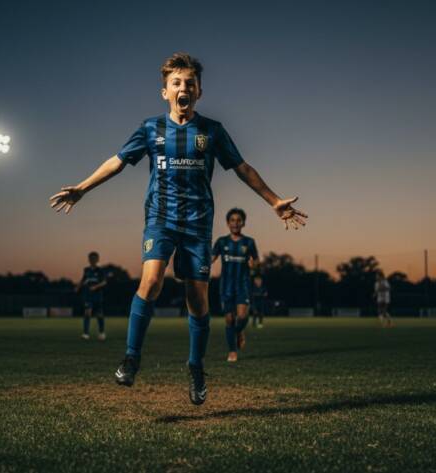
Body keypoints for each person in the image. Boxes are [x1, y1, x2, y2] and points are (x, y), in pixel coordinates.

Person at [50, 52, 307, 405]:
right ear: (165, 92)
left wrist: (274, 200)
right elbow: (117, 161)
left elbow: (243, 168)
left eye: (190, 82)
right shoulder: (150, 129)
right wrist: (82, 187)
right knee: (151, 281)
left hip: (198, 225)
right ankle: (131, 357)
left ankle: (196, 368)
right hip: (161, 218)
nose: (183, 87)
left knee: (198, 301)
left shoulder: (212, 131)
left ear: (199, 91)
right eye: (176, 82)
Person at [212, 208, 258, 362]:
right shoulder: (221, 242)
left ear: (243, 223)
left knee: (243, 317)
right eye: (232, 220)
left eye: (239, 220)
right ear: (227, 223)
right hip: (226, 286)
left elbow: (256, 262)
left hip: (243, 285)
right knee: (230, 320)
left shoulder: (249, 242)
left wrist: (254, 266)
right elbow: (210, 258)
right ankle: (232, 352)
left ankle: (239, 332)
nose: (235, 223)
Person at [77, 251, 107, 341]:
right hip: (88, 295)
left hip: (98, 296)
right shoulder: (86, 270)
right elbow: (83, 280)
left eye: (94, 258)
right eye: (91, 258)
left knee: (99, 314)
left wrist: (95, 287)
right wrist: (78, 286)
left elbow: (104, 282)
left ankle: (101, 333)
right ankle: (86, 334)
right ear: (89, 259)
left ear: (97, 259)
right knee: (87, 313)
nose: (92, 260)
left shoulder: (100, 270)